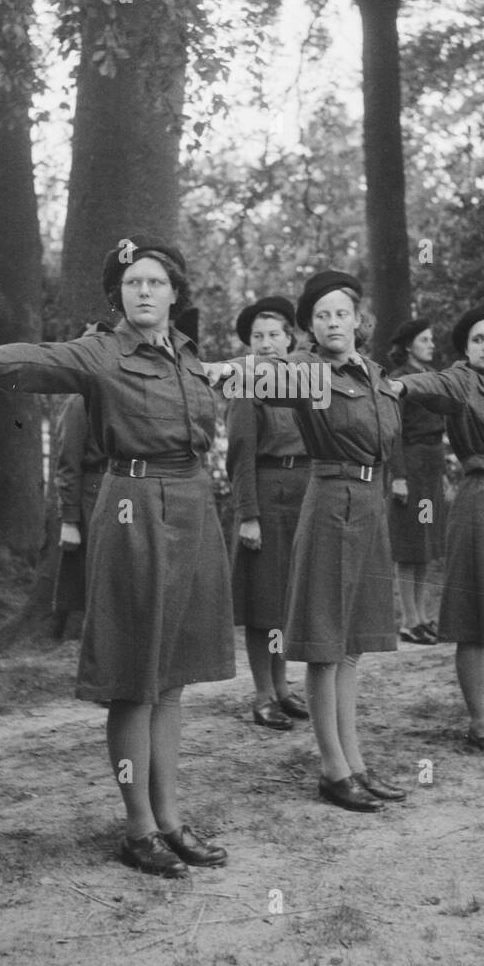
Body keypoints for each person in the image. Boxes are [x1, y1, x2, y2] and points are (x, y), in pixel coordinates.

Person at [0, 238, 233, 879]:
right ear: (119, 296)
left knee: (172, 678)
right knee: (134, 677)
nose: (145, 292)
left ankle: (172, 818)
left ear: (175, 293)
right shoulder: (102, 351)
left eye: (156, 282)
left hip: (191, 505)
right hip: (132, 510)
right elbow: (42, 359)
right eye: (133, 284)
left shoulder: (189, 358)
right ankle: (138, 827)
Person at [236, 271, 404, 813]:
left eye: (342, 313)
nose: (334, 322)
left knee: (352, 644)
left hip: (370, 503)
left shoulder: (374, 373)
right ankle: (332, 769)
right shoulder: (307, 369)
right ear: (308, 326)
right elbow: (263, 372)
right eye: (322, 315)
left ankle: (355, 762)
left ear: (358, 319)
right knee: (326, 645)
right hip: (331, 500)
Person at [393, 302, 484, 756]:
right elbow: (427, 383)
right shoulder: (461, 381)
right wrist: (395, 383)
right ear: (467, 349)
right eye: (477, 339)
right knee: (476, 619)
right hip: (481, 501)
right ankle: (479, 722)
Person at [226, 296, 310, 730]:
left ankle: (282, 688)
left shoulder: (303, 379)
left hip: (301, 497)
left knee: (284, 602)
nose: (266, 343)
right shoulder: (244, 383)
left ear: (289, 338)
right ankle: (261, 694)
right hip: (264, 496)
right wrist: (248, 515)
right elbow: (239, 455)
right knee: (263, 605)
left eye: (274, 334)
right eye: (257, 337)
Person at [387, 318, 447, 642]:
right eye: (425, 339)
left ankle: (422, 616)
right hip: (410, 466)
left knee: (424, 544)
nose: (431, 344)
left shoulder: (431, 378)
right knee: (409, 544)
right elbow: (393, 431)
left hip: (431, 466)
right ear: (409, 345)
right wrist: (398, 476)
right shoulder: (398, 381)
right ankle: (408, 620)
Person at [51, 326, 108, 640]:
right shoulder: (79, 403)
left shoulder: (118, 396)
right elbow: (68, 466)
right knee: (95, 584)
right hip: (93, 495)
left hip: (122, 491)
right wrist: (70, 521)